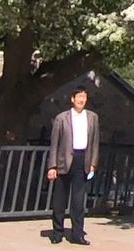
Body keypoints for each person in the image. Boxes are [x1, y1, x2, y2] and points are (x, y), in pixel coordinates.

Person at [46, 87, 100, 245]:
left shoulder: (92, 117)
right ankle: (57, 232)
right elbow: (54, 143)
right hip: (64, 160)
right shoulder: (62, 118)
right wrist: (52, 166)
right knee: (59, 199)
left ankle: (77, 234)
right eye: (79, 97)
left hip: (82, 159)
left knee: (78, 200)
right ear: (72, 99)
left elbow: (95, 143)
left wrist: (93, 164)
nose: (81, 100)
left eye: (84, 97)